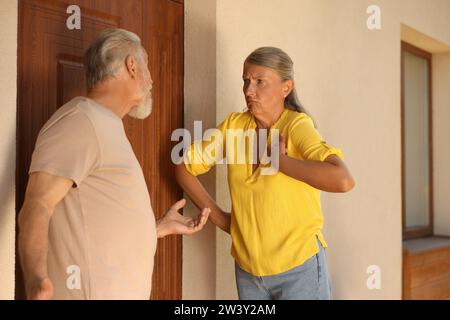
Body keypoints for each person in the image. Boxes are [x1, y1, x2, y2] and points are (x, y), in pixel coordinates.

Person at [18, 28, 210, 300]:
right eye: (146, 64)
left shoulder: (104, 124)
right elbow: (37, 204)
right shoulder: (81, 120)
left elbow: (95, 223)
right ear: (132, 66)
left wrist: (156, 228)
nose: (152, 79)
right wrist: (37, 281)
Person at [175, 47, 355, 300]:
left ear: (286, 87)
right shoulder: (233, 126)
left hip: (299, 269)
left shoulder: (296, 126)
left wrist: (279, 161)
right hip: (249, 273)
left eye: (260, 82)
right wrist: (221, 220)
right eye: (246, 81)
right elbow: (184, 167)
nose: (249, 90)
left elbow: (343, 180)